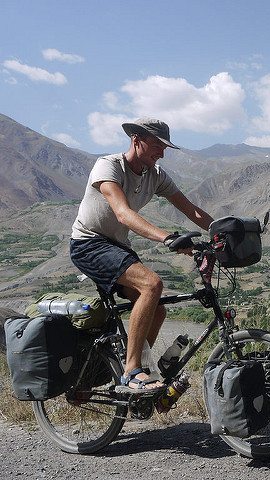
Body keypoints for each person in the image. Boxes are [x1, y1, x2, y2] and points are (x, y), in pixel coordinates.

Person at [70, 118, 214, 393]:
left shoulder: (155, 175)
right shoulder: (108, 166)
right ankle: (131, 371)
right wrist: (167, 237)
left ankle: (141, 371)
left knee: (157, 309)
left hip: (114, 246)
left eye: (165, 147)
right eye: (157, 145)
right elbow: (123, 214)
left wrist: (221, 231)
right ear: (136, 140)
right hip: (88, 244)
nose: (162, 152)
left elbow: (190, 209)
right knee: (152, 284)